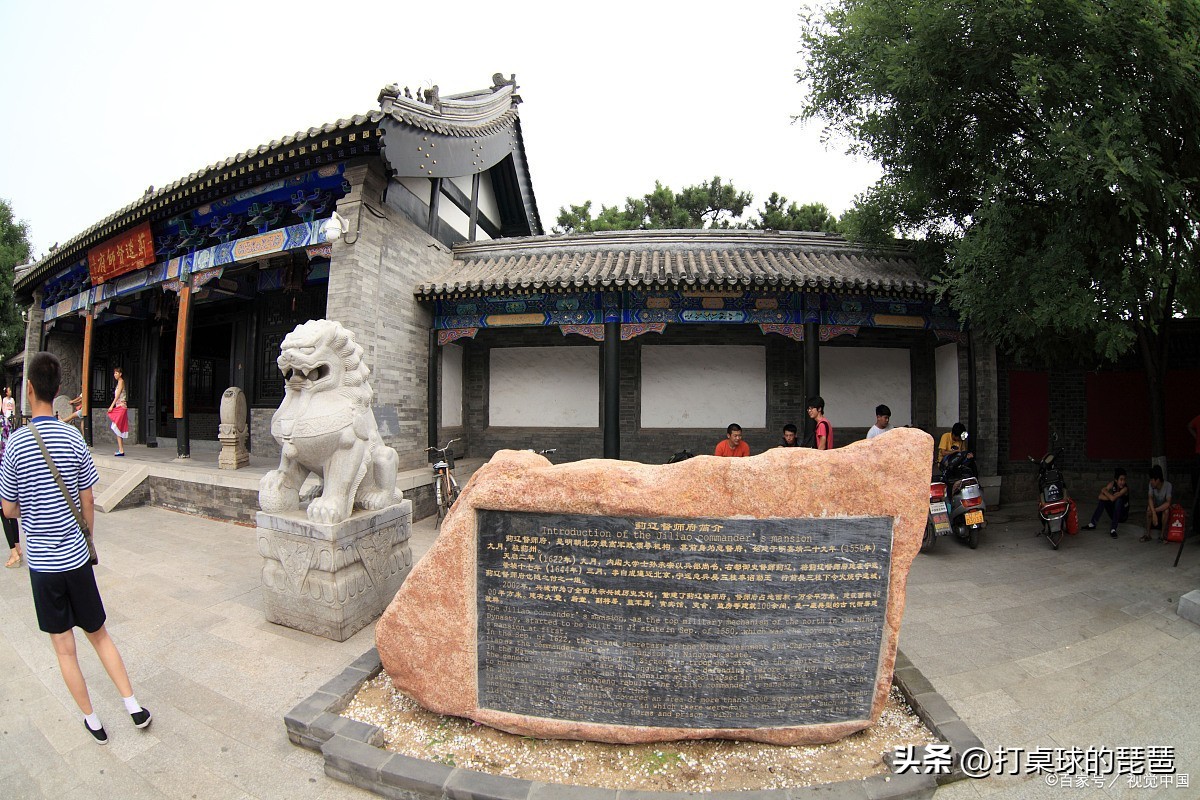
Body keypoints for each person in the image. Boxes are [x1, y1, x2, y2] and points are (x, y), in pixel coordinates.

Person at [0, 352, 150, 745]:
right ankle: (134, 705)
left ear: (28, 390)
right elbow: (88, 500)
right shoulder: (73, 438)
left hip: (44, 566)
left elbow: (9, 508)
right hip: (76, 559)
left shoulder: (15, 444)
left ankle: (93, 721)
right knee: (99, 634)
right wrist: (88, 541)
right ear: (58, 392)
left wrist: (33, 506)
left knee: (65, 650)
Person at [1083, 468, 1129, 539]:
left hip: (1122, 516)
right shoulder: (1112, 484)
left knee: (1119, 500)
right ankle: (1093, 524)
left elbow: (1111, 497)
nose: (1123, 482)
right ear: (1116, 480)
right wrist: (1111, 497)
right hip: (1113, 514)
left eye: (1124, 480)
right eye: (1121, 479)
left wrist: (1106, 492)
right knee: (1103, 501)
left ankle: (1113, 530)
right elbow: (1100, 496)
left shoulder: (1125, 489)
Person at [1, 411, 18, 567]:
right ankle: (17, 547)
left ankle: (14, 553)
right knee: (11, 510)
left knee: (4, 512)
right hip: (9, 470)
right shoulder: (6, 422)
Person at [1142, 465, 1173, 543]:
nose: (1151, 482)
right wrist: (1153, 512)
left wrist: (1155, 511)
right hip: (1154, 512)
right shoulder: (1151, 485)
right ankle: (1148, 534)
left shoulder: (1168, 485)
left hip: (1162, 511)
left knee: (1166, 510)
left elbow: (1168, 503)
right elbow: (1150, 498)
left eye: (1152, 480)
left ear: (1158, 480)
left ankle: (1162, 535)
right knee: (1149, 508)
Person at [106, 367, 127, 456]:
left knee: (117, 427)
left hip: (121, 407)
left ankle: (121, 450)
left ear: (120, 374)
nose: (115, 375)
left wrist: (111, 406)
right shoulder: (119, 382)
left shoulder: (121, 381)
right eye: (114, 373)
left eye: (116, 373)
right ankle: (121, 449)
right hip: (119, 407)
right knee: (118, 427)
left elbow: (117, 395)